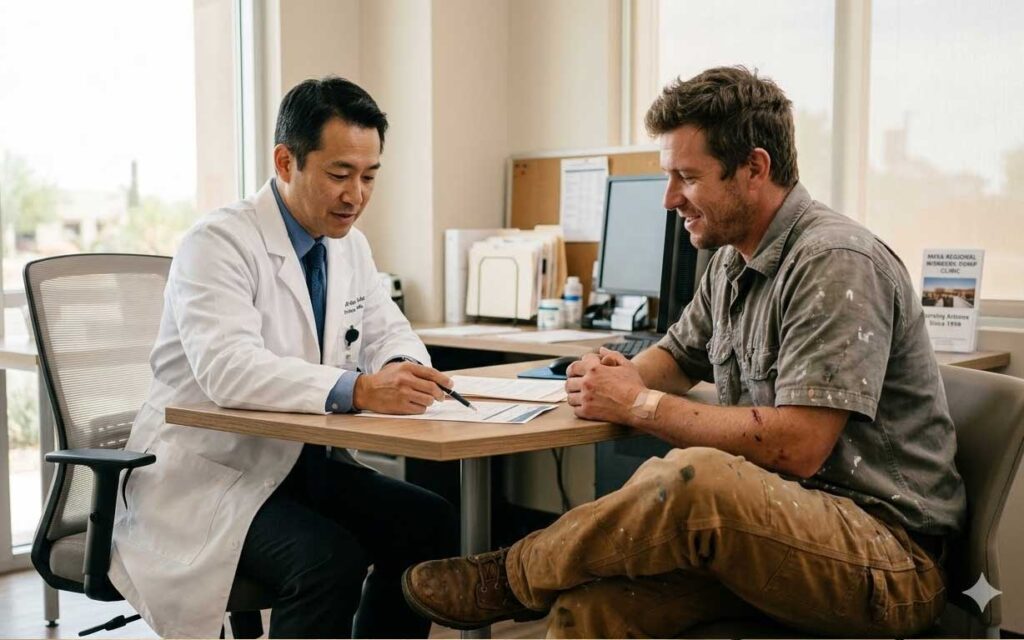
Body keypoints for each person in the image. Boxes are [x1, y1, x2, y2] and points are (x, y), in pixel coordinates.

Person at [401, 66, 966, 638]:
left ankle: (513, 579)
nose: (670, 199)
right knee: (593, 609)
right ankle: (532, 583)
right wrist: (618, 372)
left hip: (886, 558)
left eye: (688, 178)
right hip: (778, 532)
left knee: (699, 480)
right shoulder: (732, 260)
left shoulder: (834, 261)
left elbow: (798, 446)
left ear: (754, 168)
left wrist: (638, 406)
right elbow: (676, 355)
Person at [109, 77, 458, 639]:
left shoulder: (350, 246)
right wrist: (361, 389)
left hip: (298, 467)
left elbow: (387, 329)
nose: (356, 195)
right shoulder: (218, 243)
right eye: (340, 174)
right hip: (208, 475)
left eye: (370, 177)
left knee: (429, 521)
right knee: (327, 560)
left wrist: (399, 365)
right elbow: (228, 369)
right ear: (286, 161)